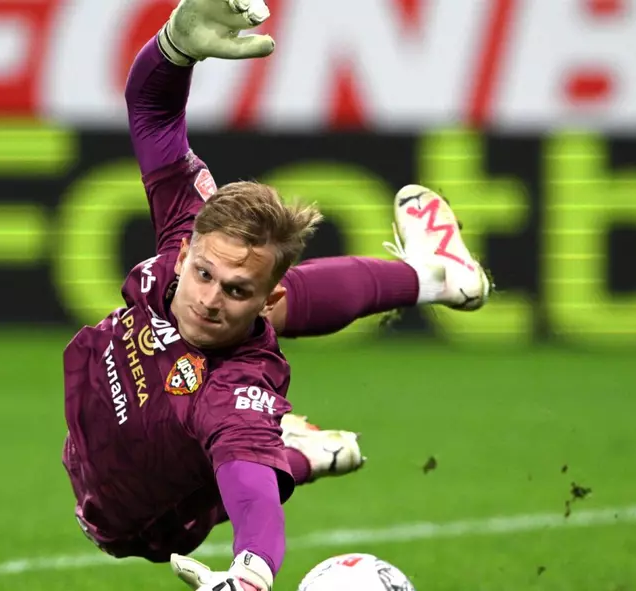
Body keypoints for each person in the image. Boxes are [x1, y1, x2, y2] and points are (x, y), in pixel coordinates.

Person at [60, 1, 492, 590]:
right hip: (94, 431)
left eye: (237, 290)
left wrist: (251, 575)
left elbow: (253, 502)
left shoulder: (235, 392)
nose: (210, 298)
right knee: (245, 324)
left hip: (134, 517)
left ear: (262, 298)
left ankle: (301, 454)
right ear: (184, 253)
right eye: (204, 273)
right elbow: (152, 110)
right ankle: (438, 276)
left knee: (248, 447)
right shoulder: (187, 235)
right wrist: (172, 48)